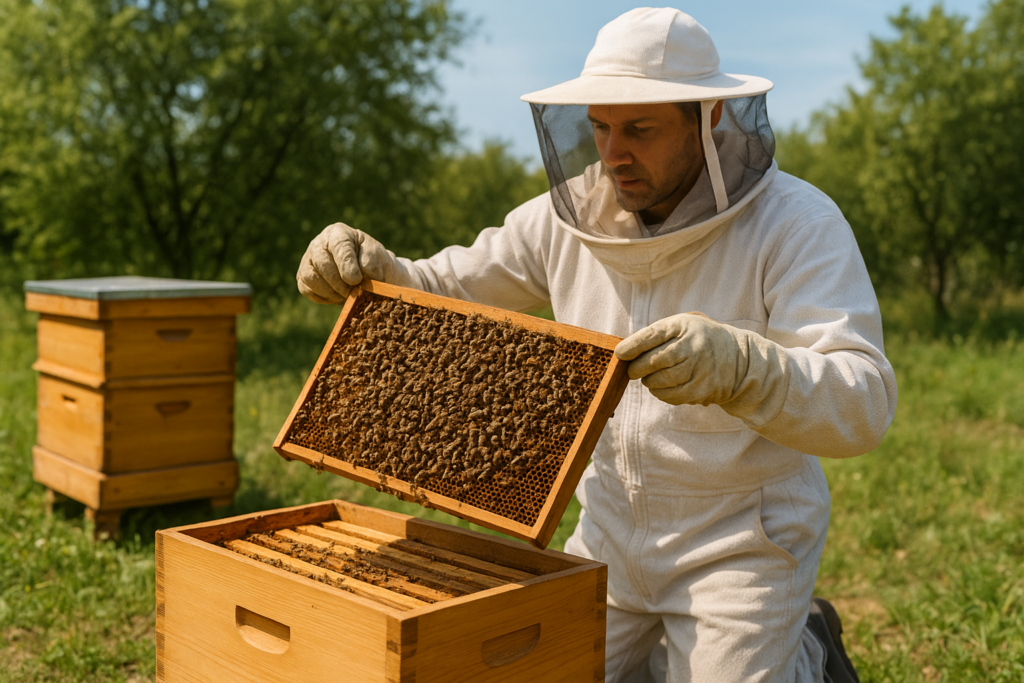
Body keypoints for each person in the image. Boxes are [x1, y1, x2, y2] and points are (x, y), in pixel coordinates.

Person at [296, 8, 897, 682]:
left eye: (640, 129)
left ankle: (810, 650)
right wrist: (379, 270)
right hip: (606, 534)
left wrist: (742, 367)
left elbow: (864, 400)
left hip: (741, 543)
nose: (614, 153)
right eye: (600, 127)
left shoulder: (796, 224)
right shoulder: (565, 218)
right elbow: (446, 286)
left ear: (711, 118)